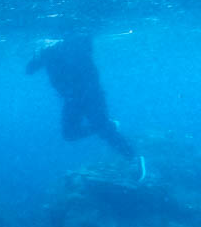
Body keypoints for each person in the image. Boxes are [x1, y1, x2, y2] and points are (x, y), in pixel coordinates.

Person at [26, 35, 139, 164]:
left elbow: (86, 46)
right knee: (70, 134)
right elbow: (29, 69)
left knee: (105, 132)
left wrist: (50, 50)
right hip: (73, 100)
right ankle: (108, 127)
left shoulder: (74, 46)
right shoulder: (47, 52)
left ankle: (133, 158)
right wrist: (38, 54)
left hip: (91, 97)